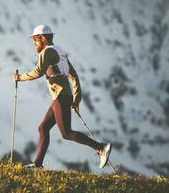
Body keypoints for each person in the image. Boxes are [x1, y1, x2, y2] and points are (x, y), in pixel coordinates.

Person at [13, 25, 112, 169]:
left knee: (66, 133)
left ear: (43, 38)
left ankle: (101, 147)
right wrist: (76, 99)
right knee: (43, 128)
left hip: (60, 97)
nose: (33, 43)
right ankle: (38, 164)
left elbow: (39, 71)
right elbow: (74, 76)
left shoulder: (47, 52)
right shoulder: (60, 52)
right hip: (63, 97)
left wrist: (20, 77)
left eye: (35, 39)